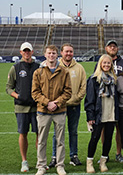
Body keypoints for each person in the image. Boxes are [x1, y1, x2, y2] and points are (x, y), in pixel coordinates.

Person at [32, 45, 72, 175]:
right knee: (42, 140)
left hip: (59, 111)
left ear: (57, 55)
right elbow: (35, 92)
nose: (51, 55)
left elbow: (68, 91)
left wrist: (57, 103)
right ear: (45, 55)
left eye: (54, 53)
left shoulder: (64, 72)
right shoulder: (38, 72)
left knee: (60, 140)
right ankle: (41, 166)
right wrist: (47, 103)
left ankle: (60, 165)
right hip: (43, 111)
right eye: (49, 53)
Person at [48, 43, 86, 168]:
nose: (68, 54)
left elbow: (83, 86)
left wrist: (76, 98)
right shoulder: (55, 66)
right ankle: (55, 157)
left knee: (73, 131)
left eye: (70, 51)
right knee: (57, 132)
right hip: (59, 105)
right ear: (62, 53)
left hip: (74, 105)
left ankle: (73, 155)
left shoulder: (79, 68)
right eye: (66, 51)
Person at [6, 42, 40, 173]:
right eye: (24, 51)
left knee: (39, 135)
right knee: (23, 134)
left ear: (32, 52)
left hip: (37, 107)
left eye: (29, 51)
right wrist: (18, 96)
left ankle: (40, 161)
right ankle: (24, 161)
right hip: (21, 108)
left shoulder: (39, 67)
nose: (27, 53)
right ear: (20, 52)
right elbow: (8, 88)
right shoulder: (15, 68)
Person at [84, 54, 119, 173]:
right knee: (94, 138)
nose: (106, 65)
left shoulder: (114, 79)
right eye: (104, 63)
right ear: (100, 64)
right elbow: (89, 99)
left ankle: (103, 161)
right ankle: (89, 162)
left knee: (108, 139)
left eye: (108, 63)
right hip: (99, 113)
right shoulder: (94, 79)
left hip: (111, 113)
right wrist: (90, 116)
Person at [98, 40, 123, 163]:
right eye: (110, 46)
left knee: (120, 128)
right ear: (106, 48)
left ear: (117, 48)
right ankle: (105, 154)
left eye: (114, 46)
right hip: (106, 100)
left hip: (121, 100)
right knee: (105, 128)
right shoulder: (101, 62)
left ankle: (118, 153)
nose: (112, 48)